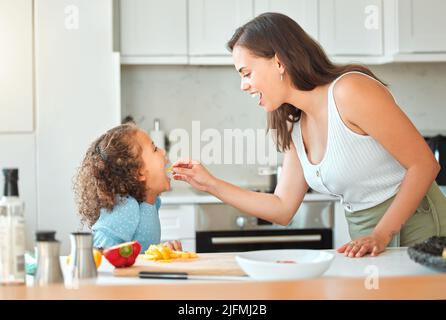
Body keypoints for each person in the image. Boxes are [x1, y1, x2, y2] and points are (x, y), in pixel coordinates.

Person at [171, 12, 446, 258]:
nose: (243, 86)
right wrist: (210, 184)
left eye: (246, 73)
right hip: (367, 235)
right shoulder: (295, 125)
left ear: (278, 62)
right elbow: (282, 208)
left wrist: (381, 234)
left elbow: (424, 164)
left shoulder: (350, 91)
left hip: (419, 223)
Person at [74, 123, 181, 252]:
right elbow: (100, 252)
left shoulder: (153, 203)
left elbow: (141, 252)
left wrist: (163, 252)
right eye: (155, 149)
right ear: (139, 172)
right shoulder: (127, 207)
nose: (163, 152)